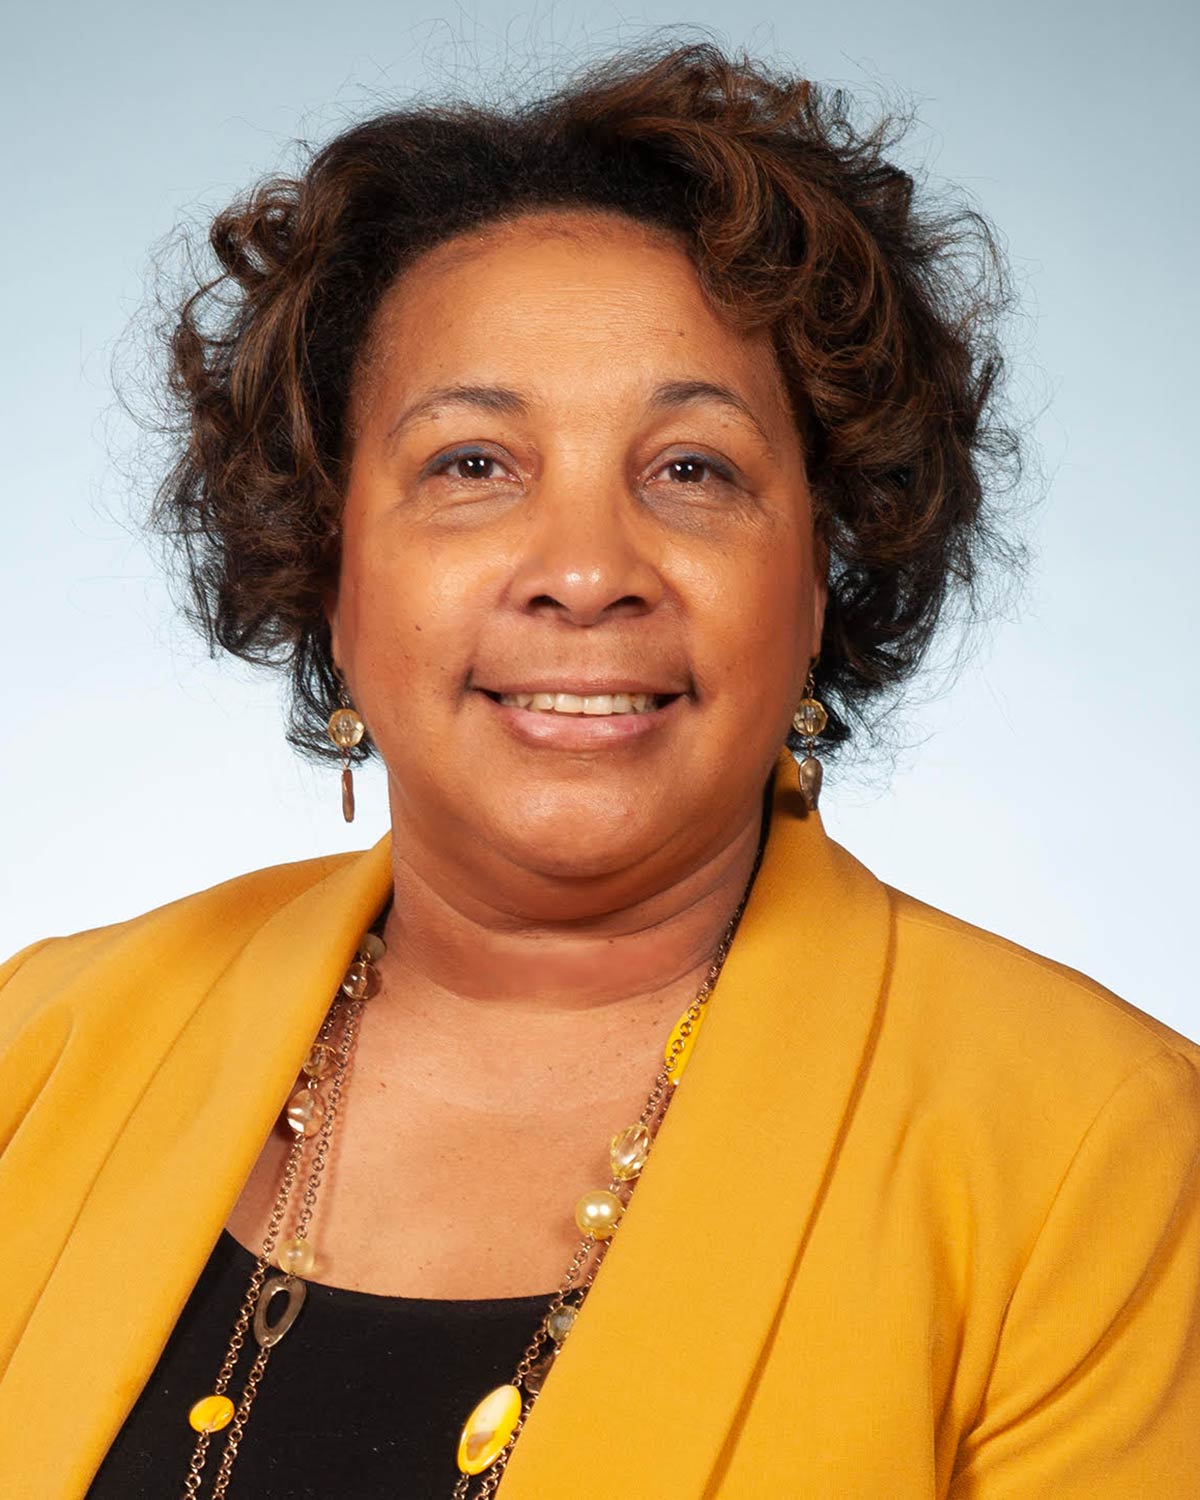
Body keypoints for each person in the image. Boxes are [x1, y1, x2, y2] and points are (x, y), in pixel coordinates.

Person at [2, 39, 1197, 1500]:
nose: (583, 572)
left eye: (691, 468)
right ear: (328, 562)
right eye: (472, 465)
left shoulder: (1103, 1157)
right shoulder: (39, 1046)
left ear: (819, 576)